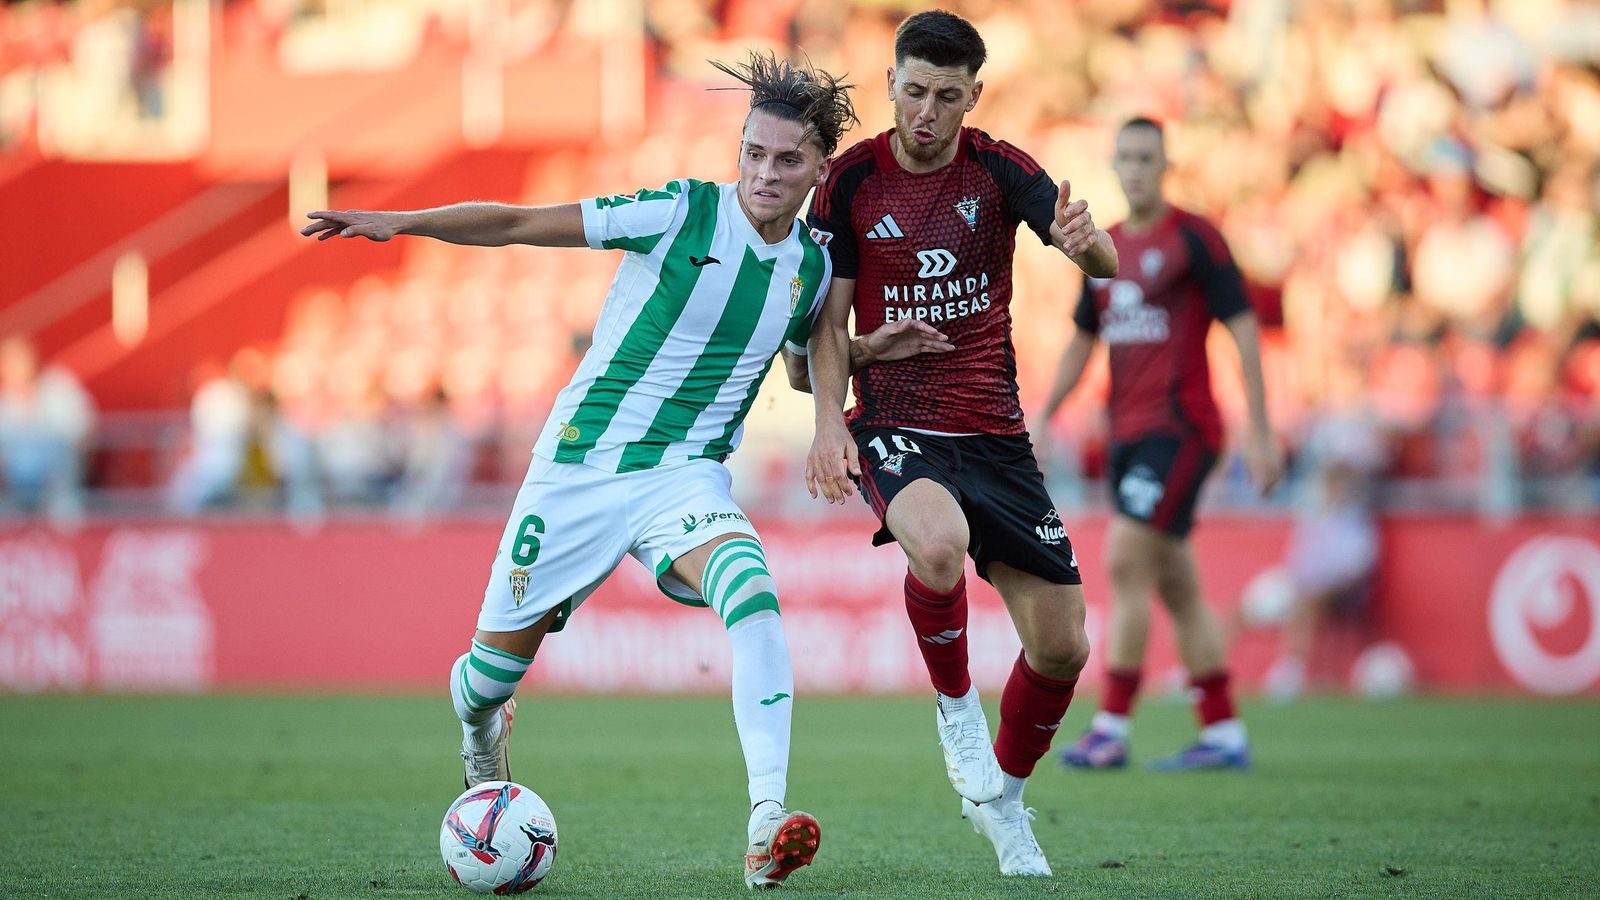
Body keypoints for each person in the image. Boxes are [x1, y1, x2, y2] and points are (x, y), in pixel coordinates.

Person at [303, 52, 941, 890]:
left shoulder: (813, 267)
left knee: (750, 588)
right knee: (485, 680)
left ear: (821, 168)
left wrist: (857, 353)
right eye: (753, 152)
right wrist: (403, 222)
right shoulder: (679, 212)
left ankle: (764, 822)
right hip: (577, 470)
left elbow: (795, 364)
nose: (765, 172)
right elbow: (519, 222)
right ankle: (480, 729)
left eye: (788, 160)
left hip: (685, 477)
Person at [800, 10, 1118, 877]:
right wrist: (833, 420)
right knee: (934, 547)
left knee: (1062, 647)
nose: (927, 111)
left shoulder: (1000, 168)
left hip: (998, 440)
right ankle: (954, 711)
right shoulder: (849, 182)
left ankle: (1004, 805)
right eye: (913, 91)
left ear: (973, 96)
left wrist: (1093, 249)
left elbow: (1103, 261)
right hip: (899, 425)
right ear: (891, 86)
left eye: (947, 96)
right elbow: (823, 332)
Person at [1037, 117, 1284, 772]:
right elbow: (1082, 340)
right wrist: (1045, 416)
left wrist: (1260, 430)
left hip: (1182, 429)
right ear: (1113, 165)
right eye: (1126, 157)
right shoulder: (1104, 250)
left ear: (1165, 163)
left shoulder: (1195, 238)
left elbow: (1243, 329)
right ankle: (1224, 731)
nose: (1137, 168)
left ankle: (1112, 727)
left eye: (1148, 156)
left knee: (1124, 559)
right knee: (1176, 582)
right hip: (1127, 434)